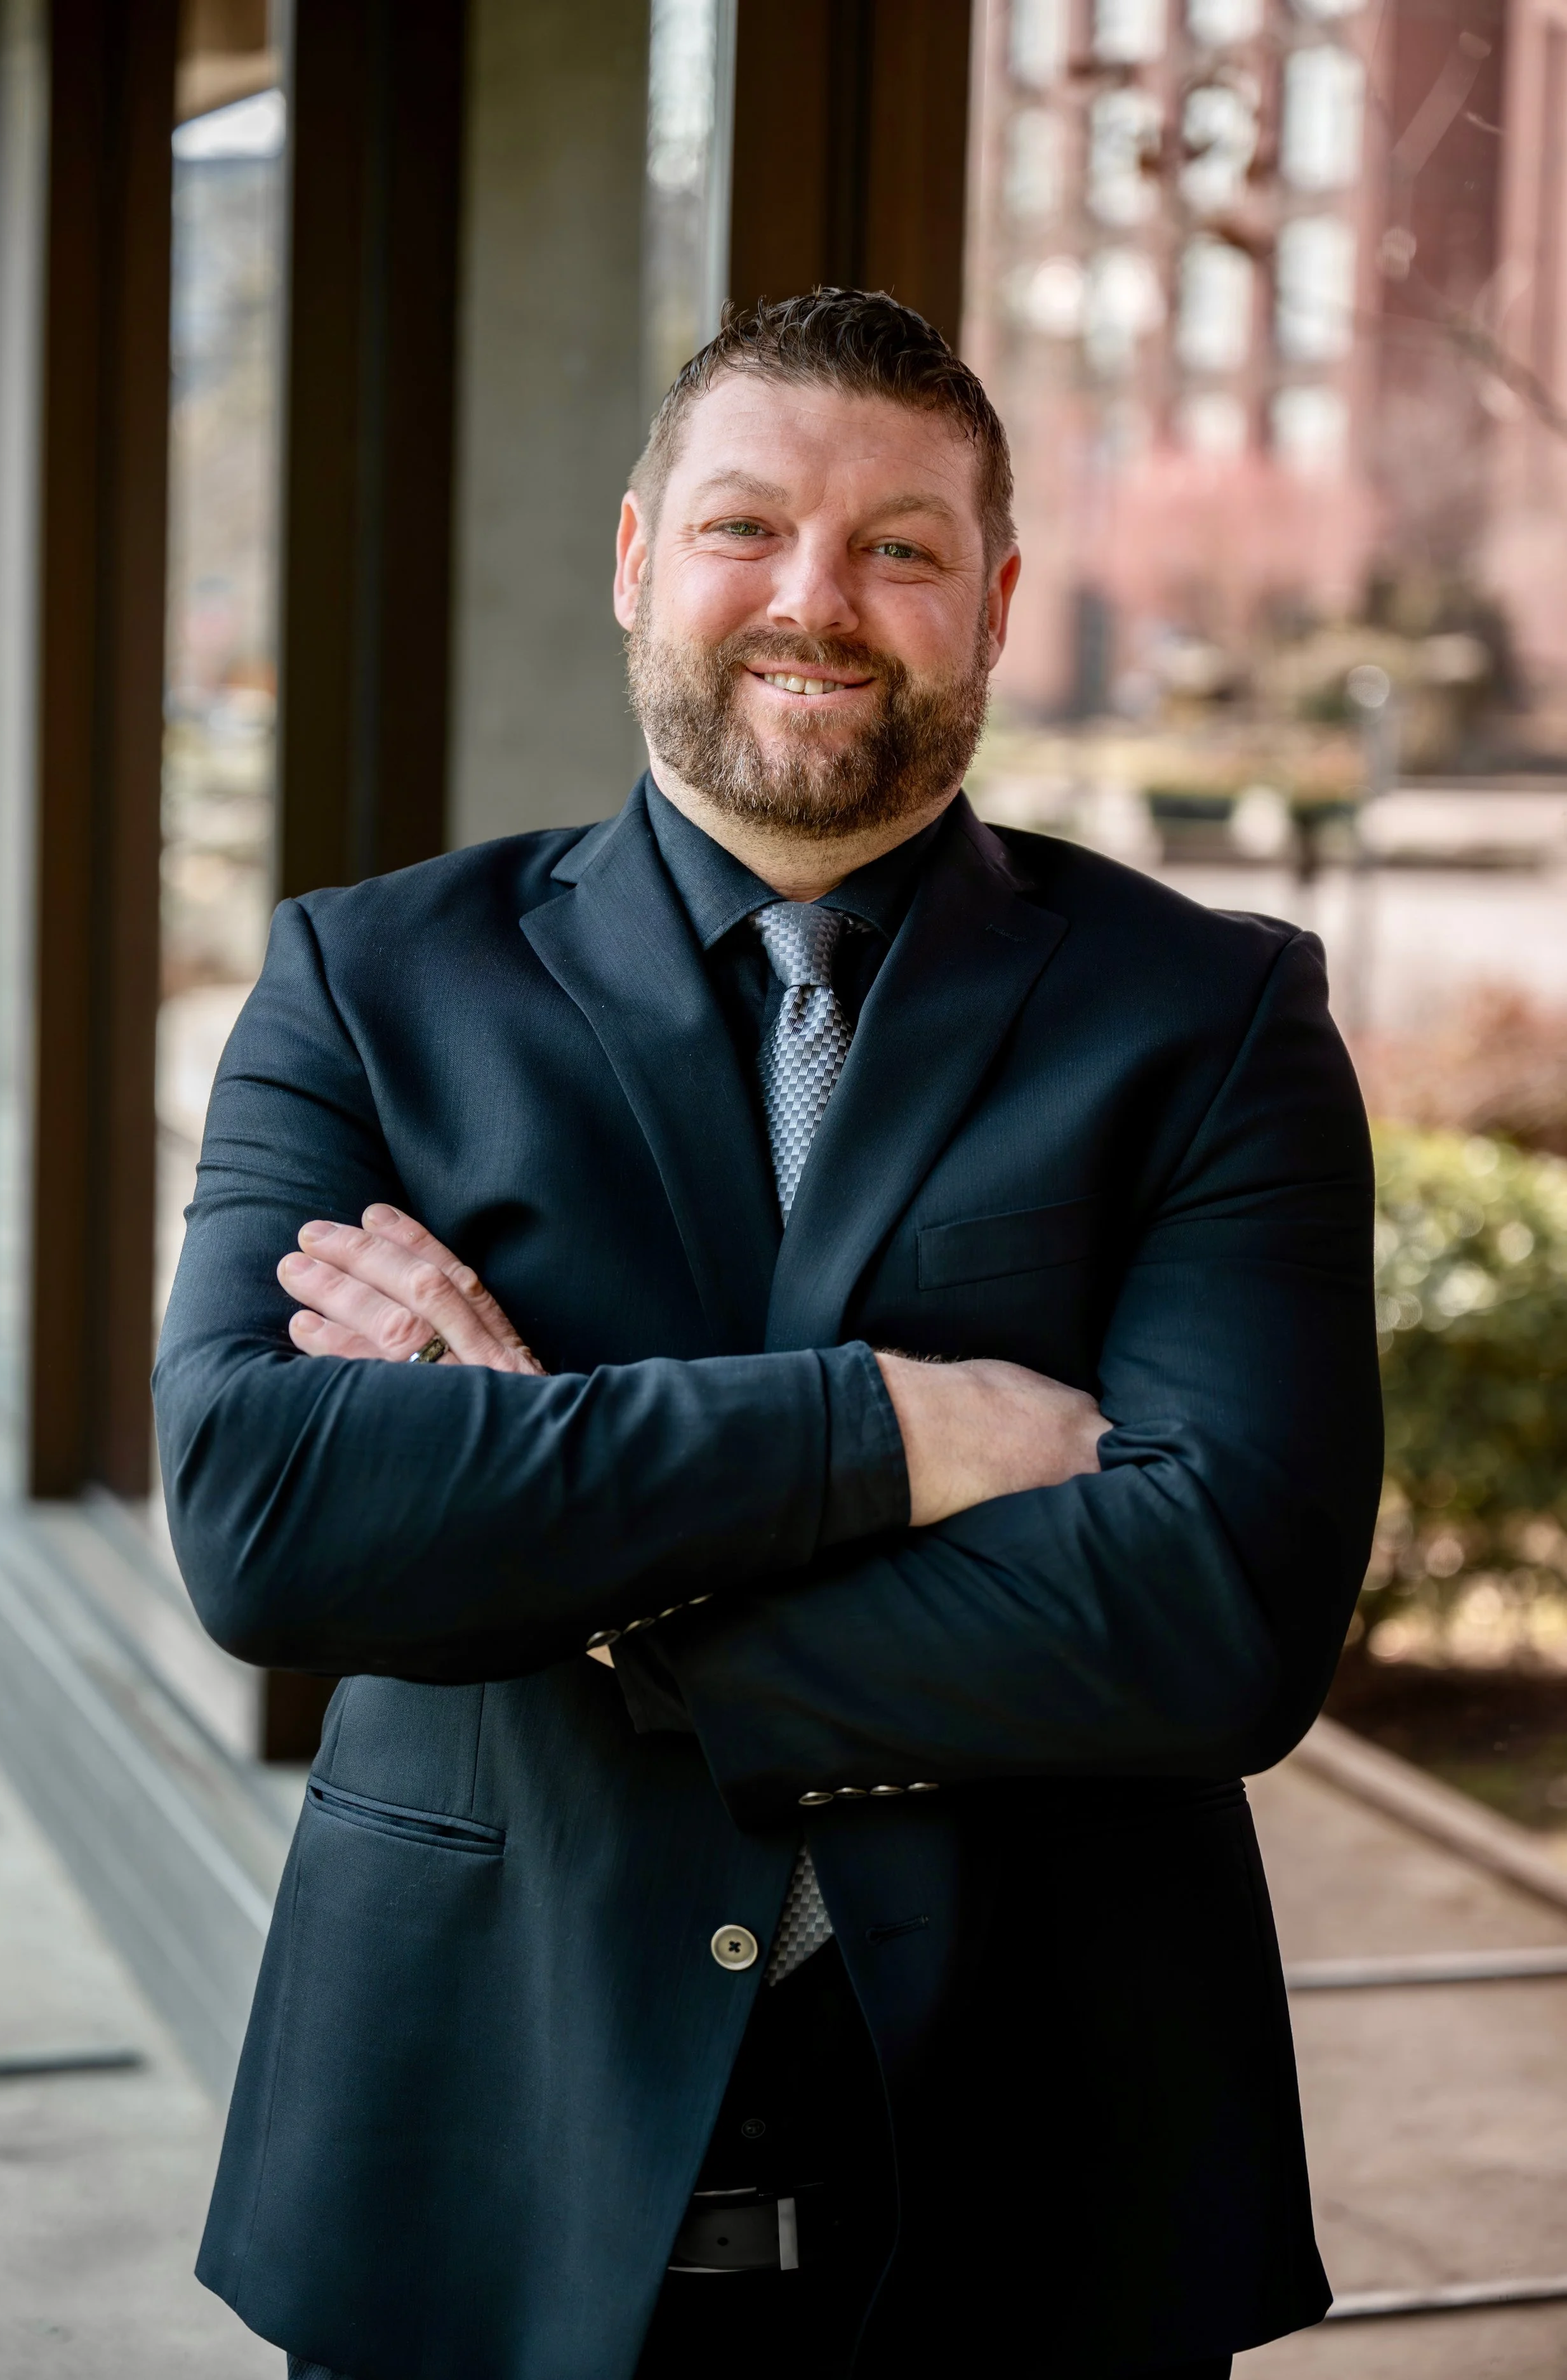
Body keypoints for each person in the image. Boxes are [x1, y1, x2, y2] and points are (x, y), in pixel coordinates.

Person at [155, 289, 1382, 2380]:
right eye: (746, 529)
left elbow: (1216, 1614)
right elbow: (268, 1524)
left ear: (991, 603)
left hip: (1041, 2163)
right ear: (640, 555)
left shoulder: (1205, 1015)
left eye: (898, 548)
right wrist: (885, 1431)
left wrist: (572, 1532)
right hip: (475, 2143)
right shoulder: (370, 984)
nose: (814, 601)